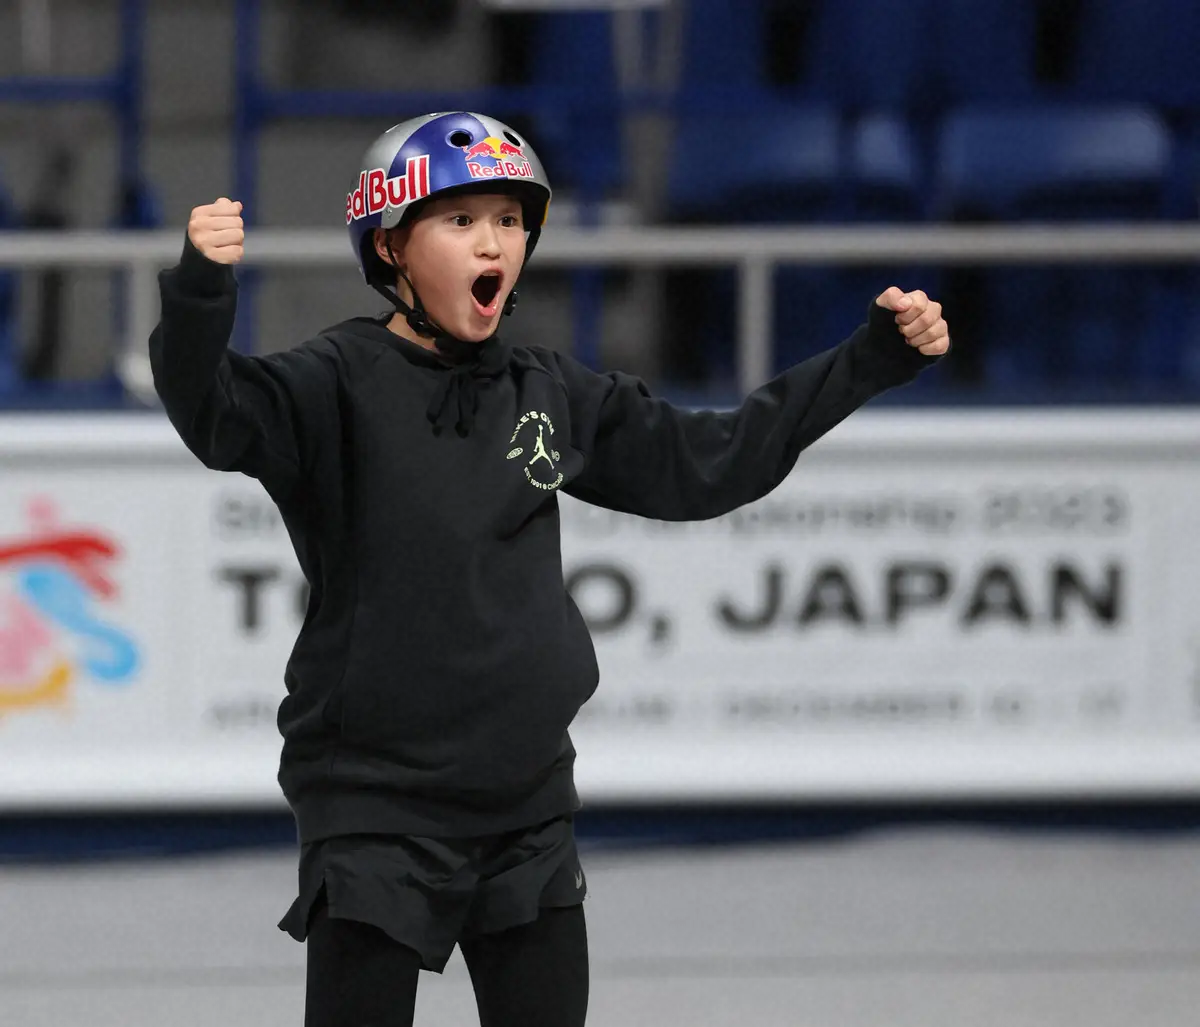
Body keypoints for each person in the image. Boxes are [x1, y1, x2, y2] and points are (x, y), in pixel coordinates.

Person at [150, 111, 949, 1027]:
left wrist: (864, 363)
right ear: (391, 248)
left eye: (509, 220)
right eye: (460, 221)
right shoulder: (332, 382)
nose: (493, 241)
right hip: (374, 807)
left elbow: (711, 461)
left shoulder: (548, 390)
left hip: (524, 804)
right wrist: (202, 293)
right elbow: (210, 410)